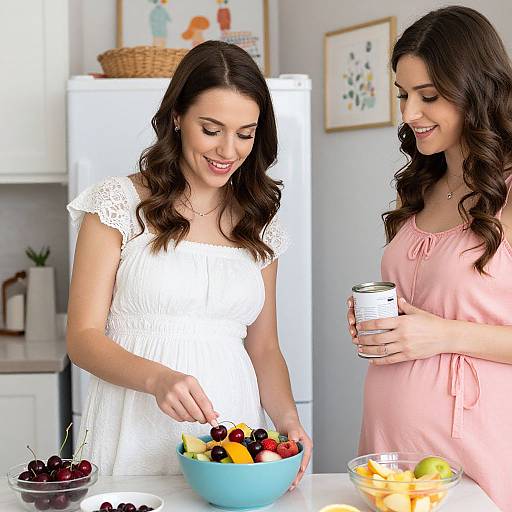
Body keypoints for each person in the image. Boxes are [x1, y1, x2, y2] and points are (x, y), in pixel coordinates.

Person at [67, 40, 312, 483]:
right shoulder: (117, 203)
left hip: (230, 427)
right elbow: (82, 337)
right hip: (133, 424)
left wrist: (288, 420)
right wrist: (156, 379)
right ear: (177, 117)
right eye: (211, 129)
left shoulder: (259, 221)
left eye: (245, 133)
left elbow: (264, 348)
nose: (228, 151)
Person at [346, 7, 512, 510]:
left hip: (472, 444)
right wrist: (379, 321)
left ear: (475, 90)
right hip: (389, 438)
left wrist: (440, 333)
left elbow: (443, 323)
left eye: (429, 97)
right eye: (403, 95)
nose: (408, 113)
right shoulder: (423, 184)